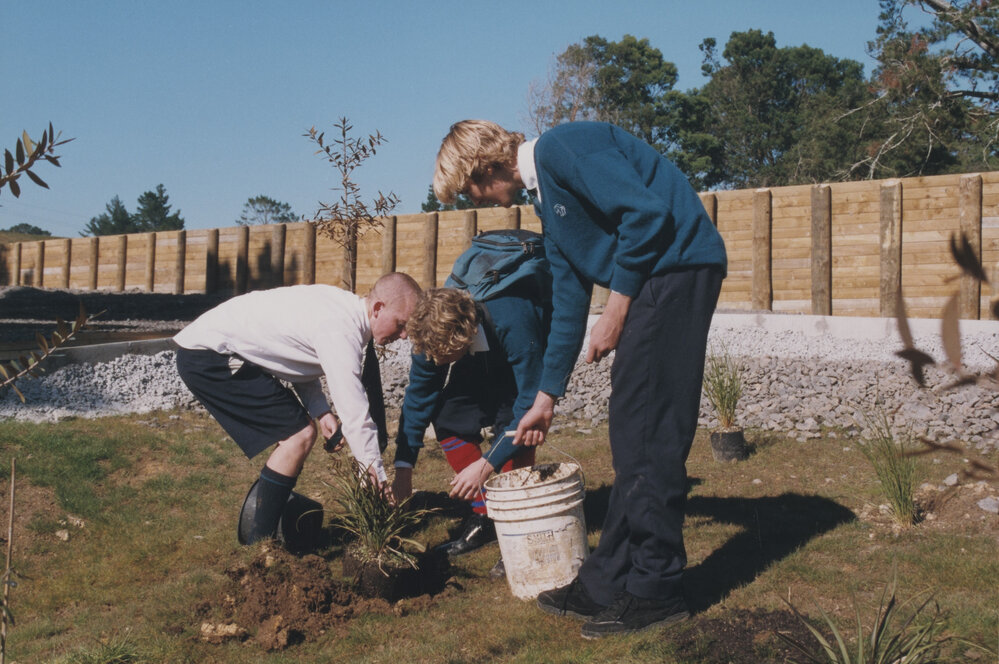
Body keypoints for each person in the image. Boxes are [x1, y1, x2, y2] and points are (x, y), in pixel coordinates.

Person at [433, 120, 727, 638]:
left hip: (677, 270)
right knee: (628, 433)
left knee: (646, 434)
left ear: (486, 167)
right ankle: (606, 578)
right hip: (654, 279)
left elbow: (647, 214)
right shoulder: (547, 196)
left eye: (471, 190)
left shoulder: (565, 147)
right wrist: (546, 397)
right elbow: (568, 297)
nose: (478, 201)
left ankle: (657, 588)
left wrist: (614, 311)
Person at [174, 272, 421, 545]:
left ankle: (263, 534)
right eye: (400, 324)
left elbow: (294, 355)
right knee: (298, 436)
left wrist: (321, 410)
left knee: (300, 432)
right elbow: (355, 416)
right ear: (378, 308)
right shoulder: (341, 330)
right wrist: (377, 478)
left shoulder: (343, 309)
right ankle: (261, 546)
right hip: (209, 354)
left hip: (208, 348)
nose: (404, 335)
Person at [392, 284, 548, 566]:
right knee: (449, 417)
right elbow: (419, 398)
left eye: (441, 356)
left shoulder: (514, 321)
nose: (435, 362)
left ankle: (516, 526)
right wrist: (403, 467)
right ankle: (485, 517)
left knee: (520, 428)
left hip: (519, 356)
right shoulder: (430, 330)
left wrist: (487, 464)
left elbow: (530, 409)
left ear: (462, 337)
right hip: (476, 355)